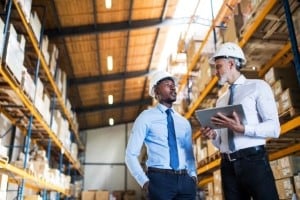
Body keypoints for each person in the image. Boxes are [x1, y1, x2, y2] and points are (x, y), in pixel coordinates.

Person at [201, 42, 280, 200]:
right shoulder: (221, 101)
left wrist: (243, 128)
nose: (216, 72)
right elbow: (221, 143)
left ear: (231, 63)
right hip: (227, 166)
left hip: (253, 161)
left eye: (218, 66)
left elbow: (274, 128)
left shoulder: (258, 87)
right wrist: (214, 136)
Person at [125, 70, 197, 200]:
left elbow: (189, 155)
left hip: (185, 181)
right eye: (167, 84)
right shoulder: (146, 117)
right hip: (160, 181)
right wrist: (144, 181)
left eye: (173, 84)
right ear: (156, 92)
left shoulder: (184, 122)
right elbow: (130, 154)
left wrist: (193, 176)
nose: (172, 87)